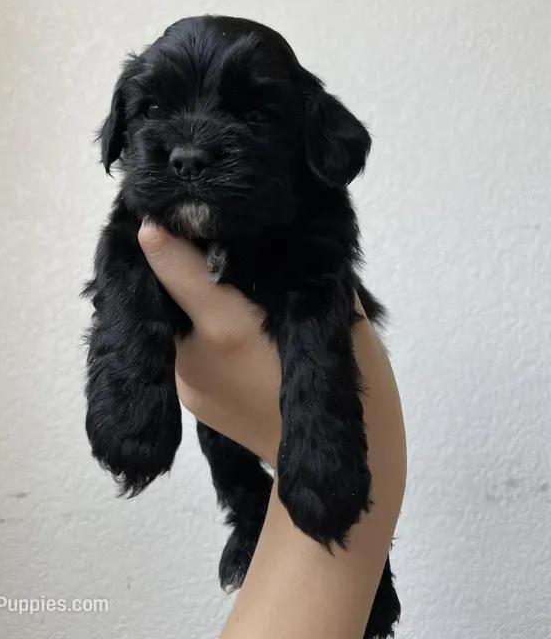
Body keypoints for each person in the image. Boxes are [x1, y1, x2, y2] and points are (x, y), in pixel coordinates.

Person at [139, 224, 407, 639]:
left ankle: (356, 560)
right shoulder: (142, 230)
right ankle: (250, 513)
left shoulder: (307, 219)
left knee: (323, 469)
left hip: (320, 368)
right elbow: (125, 253)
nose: (189, 157)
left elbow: (318, 276)